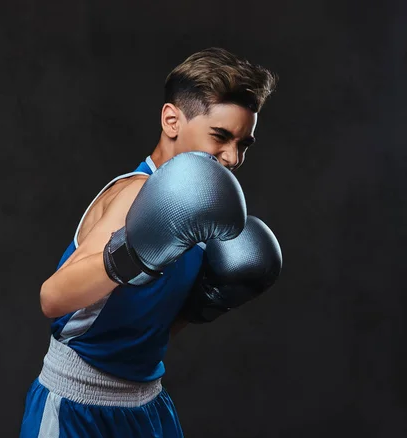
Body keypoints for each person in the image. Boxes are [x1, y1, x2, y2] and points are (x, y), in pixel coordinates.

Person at [20, 48, 280, 437]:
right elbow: (52, 300)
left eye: (243, 144)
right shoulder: (136, 194)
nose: (231, 157)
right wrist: (133, 254)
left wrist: (202, 305)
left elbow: (148, 328)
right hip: (77, 407)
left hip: (146, 405)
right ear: (172, 120)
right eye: (220, 136)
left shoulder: (201, 211)